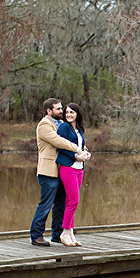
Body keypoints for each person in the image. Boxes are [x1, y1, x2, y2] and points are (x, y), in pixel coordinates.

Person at [29, 98, 87, 246]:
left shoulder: (61, 124)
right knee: (46, 204)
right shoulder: (44, 125)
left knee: (61, 204)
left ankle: (57, 234)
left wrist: (83, 151)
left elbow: (72, 137)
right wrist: (77, 149)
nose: (61, 111)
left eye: (62, 109)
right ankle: (36, 235)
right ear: (49, 111)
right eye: (58, 109)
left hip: (61, 169)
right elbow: (58, 141)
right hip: (48, 171)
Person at [55, 103, 91, 246]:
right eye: (67, 112)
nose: (69, 115)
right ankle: (64, 232)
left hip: (79, 168)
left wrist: (85, 153)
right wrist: (74, 156)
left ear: (77, 114)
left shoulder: (79, 130)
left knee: (71, 202)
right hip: (68, 167)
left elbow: (80, 147)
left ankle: (70, 233)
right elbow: (60, 146)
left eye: (72, 112)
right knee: (74, 201)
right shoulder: (64, 127)